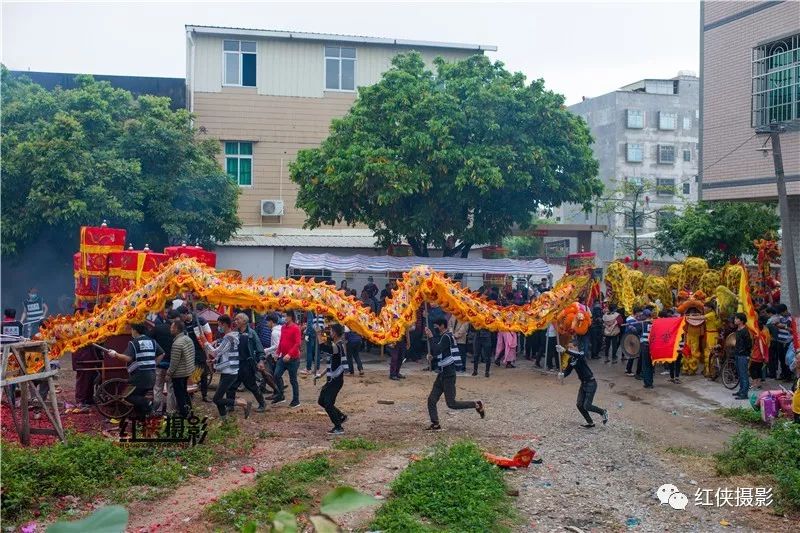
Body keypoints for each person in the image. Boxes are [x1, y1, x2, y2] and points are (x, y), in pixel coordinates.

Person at [424, 318, 485, 430]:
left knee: (451, 403)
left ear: (442, 325)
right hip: (442, 374)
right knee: (431, 400)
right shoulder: (445, 336)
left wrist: (431, 337)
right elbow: (443, 353)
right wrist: (433, 358)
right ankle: (435, 423)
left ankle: (476, 404)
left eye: (436, 326)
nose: (435, 328)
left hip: (448, 375)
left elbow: (437, 349)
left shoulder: (447, 337)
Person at [108, 322, 163, 419]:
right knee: (139, 395)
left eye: (132, 329)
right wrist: (154, 364)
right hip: (151, 375)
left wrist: (115, 354)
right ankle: (141, 418)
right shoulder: (152, 341)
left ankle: (149, 404)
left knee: (128, 396)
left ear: (135, 330)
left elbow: (128, 358)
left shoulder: (134, 343)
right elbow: (162, 354)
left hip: (140, 376)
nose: (131, 332)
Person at [557, 343, 608, 428]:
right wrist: (562, 375)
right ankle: (590, 423)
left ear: (576, 347)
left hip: (591, 383)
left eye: (571, 347)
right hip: (583, 383)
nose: (570, 348)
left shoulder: (581, 354)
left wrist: (565, 350)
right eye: (568, 347)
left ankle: (603, 412)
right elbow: (568, 370)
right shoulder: (571, 359)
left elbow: (579, 355)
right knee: (579, 404)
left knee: (587, 405)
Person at [204, 315, 240, 420]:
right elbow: (223, 354)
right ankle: (224, 419)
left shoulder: (229, 337)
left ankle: (241, 403)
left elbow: (216, 352)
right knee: (218, 398)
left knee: (216, 399)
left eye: (219, 325)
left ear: (224, 324)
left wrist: (205, 342)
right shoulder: (230, 336)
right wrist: (213, 360)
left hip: (230, 372)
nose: (218, 327)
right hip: (228, 370)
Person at [317, 324, 348, 434]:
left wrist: (318, 335)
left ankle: (338, 427)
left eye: (331, 330)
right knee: (321, 401)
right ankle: (341, 416)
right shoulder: (337, 344)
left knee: (328, 404)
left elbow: (326, 348)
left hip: (336, 380)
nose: (330, 332)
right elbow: (333, 363)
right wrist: (322, 374)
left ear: (335, 333)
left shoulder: (338, 346)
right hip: (332, 379)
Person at [177, 305, 212, 402]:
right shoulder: (182, 324)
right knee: (189, 372)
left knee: (203, 373)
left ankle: (204, 395)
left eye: (181, 316)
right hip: (189, 350)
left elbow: (209, 334)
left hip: (201, 349)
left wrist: (207, 348)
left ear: (186, 313)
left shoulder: (200, 320)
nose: (180, 318)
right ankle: (190, 392)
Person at [234, 313, 268, 412]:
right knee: (232, 385)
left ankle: (262, 404)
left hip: (247, 364)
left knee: (251, 385)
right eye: (235, 320)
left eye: (238, 319)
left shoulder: (252, 333)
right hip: (236, 363)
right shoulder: (235, 333)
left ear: (244, 321)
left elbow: (259, 348)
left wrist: (261, 360)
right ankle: (230, 405)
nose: (235, 321)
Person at [151, 310, 178, 415]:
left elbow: (150, 340)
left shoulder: (157, 328)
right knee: (171, 388)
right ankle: (170, 410)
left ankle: (157, 409)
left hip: (159, 363)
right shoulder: (176, 331)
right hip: (172, 364)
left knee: (158, 387)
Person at [272, 311, 302, 407]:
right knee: (276, 375)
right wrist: (277, 352)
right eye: (283, 316)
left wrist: (289, 354)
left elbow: (297, 343)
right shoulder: (283, 327)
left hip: (293, 359)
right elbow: (281, 341)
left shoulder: (296, 328)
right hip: (283, 356)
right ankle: (281, 395)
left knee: (293, 380)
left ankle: (296, 400)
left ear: (290, 317)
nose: (284, 318)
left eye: (285, 316)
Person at [167, 319, 195, 417]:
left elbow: (174, 362)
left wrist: (169, 373)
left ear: (176, 329)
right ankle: (189, 410)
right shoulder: (188, 339)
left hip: (179, 373)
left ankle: (184, 413)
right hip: (187, 371)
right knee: (184, 392)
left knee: (179, 394)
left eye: (171, 327)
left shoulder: (177, 343)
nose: (170, 329)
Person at [733, 312, 753, 400]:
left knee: (744, 374)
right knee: (740, 374)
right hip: (738, 354)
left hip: (743, 355)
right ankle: (741, 390)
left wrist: (747, 354)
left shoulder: (745, 331)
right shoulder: (738, 329)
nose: (735, 320)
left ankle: (744, 393)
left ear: (741, 321)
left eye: (737, 319)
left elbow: (749, 344)